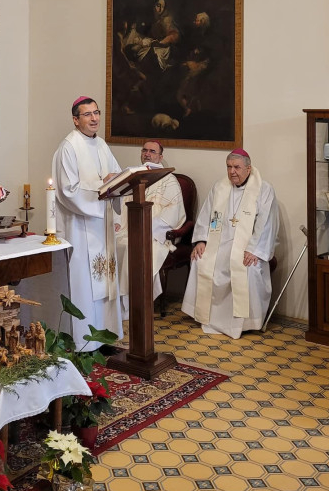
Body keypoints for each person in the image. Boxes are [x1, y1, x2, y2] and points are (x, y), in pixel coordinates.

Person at [182, 148, 279, 339]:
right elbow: (208, 217)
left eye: (236, 167)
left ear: (248, 168)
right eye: (228, 167)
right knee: (200, 260)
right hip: (219, 243)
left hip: (247, 247)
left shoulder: (264, 189)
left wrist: (254, 250)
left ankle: (244, 323)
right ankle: (206, 315)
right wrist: (202, 240)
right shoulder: (219, 187)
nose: (232, 171)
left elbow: (267, 224)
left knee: (249, 269)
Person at [50, 96, 123, 348]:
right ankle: (84, 343)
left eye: (96, 113)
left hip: (101, 225)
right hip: (80, 227)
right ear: (75, 119)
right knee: (84, 283)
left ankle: (104, 337)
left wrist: (115, 181)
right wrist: (102, 186)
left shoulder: (101, 144)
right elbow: (68, 191)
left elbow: (117, 177)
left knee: (105, 280)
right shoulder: (68, 148)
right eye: (87, 114)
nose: (94, 118)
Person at [115, 139, 185, 314]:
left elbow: (173, 212)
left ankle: (134, 304)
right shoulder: (133, 177)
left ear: (160, 157)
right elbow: (121, 204)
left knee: (135, 248)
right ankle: (115, 303)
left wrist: (146, 229)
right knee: (111, 243)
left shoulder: (169, 180)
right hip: (129, 229)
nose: (147, 154)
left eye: (152, 151)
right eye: (144, 150)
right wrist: (118, 223)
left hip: (154, 234)